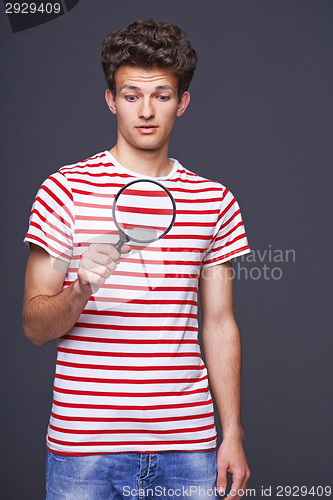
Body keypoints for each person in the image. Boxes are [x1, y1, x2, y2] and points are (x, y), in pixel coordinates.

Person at [23, 19, 251, 500]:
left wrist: (232, 434)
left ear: (182, 103)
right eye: (131, 95)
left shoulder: (213, 201)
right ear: (111, 100)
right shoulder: (63, 190)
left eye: (162, 96)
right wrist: (79, 290)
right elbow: (34, 326)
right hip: (84, 448)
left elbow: (220, 322)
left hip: (188, 448)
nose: (146, 111)